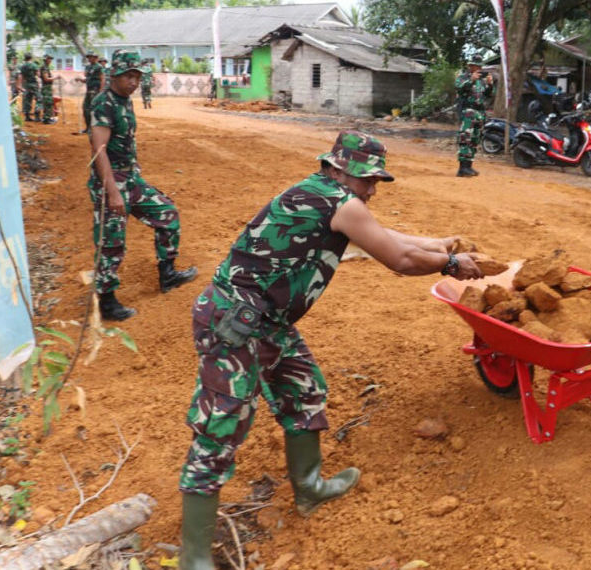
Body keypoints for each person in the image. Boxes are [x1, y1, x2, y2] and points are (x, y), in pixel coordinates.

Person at [177, 131, 483, 569]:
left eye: (377, 180)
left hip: (267, 323)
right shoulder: (339, 202)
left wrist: (439, 243)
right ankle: (194, 558)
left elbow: (384, 235)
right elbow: (399, 260)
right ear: (339, 169)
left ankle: (309, 489)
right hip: (235, 324)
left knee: (304, 392)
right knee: (220, 427)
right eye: (368, 180)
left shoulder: (327, 196)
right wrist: (450, 265)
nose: (373, 189)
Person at [88, 51, 197, 321]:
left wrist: (134, 172)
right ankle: (108, 301)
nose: (134, 81)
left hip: (130, 178)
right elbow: (98, 150)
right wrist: (112, 191)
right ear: (115, 74)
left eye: (137, 76)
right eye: (129, 75)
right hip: (110, 181)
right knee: (112, 241)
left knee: (166, 213)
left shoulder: (125, 101)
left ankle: (168, 274)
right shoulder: (104, 103)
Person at [454, 54, 494, 177]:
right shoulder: (463, 78)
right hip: (468, 111)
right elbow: (459, 88)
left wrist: (490, 85)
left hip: (479, 113)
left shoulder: (481, 81)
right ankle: (462, 168)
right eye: (476, 66)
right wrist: (471, 80)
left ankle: (469, 166)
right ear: (470, 66)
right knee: (465, 138)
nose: (478, 68)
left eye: (479, 66)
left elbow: (487, 95)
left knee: (474, 139)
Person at [75, 52, 105, 134]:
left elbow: (102, 79)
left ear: (95, 58)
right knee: (85, 109)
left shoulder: (99, 67)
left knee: (93, 110)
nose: (89, 59)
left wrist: (101, 91)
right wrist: (79, 79)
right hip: (88, 90)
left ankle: (94, 129)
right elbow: (87, 79)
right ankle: (88, 127)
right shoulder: (88, 67)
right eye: (88, 57)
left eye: (91, 57)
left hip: (95, 91)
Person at [18, 52, 41, 122]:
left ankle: (27, 116)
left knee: (27, 100)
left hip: (26, 85)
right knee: (39, 99)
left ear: (25, 58)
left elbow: (20, 76)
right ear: (31, 57)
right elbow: (38, 74)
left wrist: (19, 85)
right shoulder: (34, 65)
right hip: (33, 84)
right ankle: (37, 115)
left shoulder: (22, 66)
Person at [39, 54, 56, 124]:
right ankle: (46, 119)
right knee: (48, 103)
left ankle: (48, 117)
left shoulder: (46, 67)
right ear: (46, 59)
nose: (50, 60)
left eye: (50, 59)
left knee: (49, 103)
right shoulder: (44, 68)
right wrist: (55, 78)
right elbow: (46, 79)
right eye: (49, 59)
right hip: (46, 88)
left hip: (47, 88)